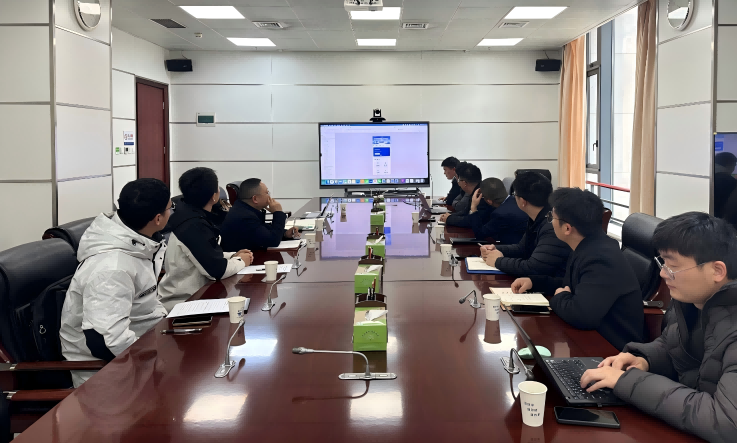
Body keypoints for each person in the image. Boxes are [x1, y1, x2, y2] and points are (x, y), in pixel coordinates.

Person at [580, 212, 737, 442]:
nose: (663, 273)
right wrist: (645, 360)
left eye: (672, 266)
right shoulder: (691, 300)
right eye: (662, 263)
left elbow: (725, 422)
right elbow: (673, 345)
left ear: (717, 271)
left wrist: (627, 382)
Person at [59, 178, 172, 387]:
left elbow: (144, 303)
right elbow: (107, 341)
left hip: (141, 346)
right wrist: (160, 361)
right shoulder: (112, 268)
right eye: (170, 208)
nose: (172, 212)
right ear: (158, 219)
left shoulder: (138, 245)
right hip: (109, 374)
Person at [510, 188, 644, 350]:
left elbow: (582, 315)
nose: (550, 222)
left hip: (611, 348)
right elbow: (572, 285)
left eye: (552, 217)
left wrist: (560, 297)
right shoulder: (589, 244)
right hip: (589, 337)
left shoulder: (601, 259)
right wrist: (534, 282)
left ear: (567, 228)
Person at [158, 167, 254, 312]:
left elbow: (207, 253)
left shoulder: (191, 215)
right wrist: (241, 261)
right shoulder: (193, 225)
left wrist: (233, 255)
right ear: (214, 196)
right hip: (183, 303)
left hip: (200, 295)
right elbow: (217, 271)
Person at [480, 172, 570, 277]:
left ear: (523, 201)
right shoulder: (537, 217)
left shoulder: (552, 224)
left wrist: (498, 261)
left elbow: (533, 268)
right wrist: (495, 249)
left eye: (515, 195)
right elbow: (522, 248)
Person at [220, 178, 299, 251]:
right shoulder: (244, 217)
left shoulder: (244, 209)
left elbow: (263, 230)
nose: (269, 197)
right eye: (267, 193)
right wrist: (278, 213)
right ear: (255, 199)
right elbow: (273, 241)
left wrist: (285, 234)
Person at [467, 177, 527, 244]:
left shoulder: (501, 214)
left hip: (513, 248)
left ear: (489, 201)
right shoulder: (517, 200)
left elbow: (480, 234)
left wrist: (473, 207)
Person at [438, 162, 491, 228]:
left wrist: (449, 219)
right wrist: (449, 216)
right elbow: (465, 212)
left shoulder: (481, 195)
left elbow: (469, 221)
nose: (458, 183)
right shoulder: (475, 190)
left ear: (464, 183)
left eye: (458, 180)